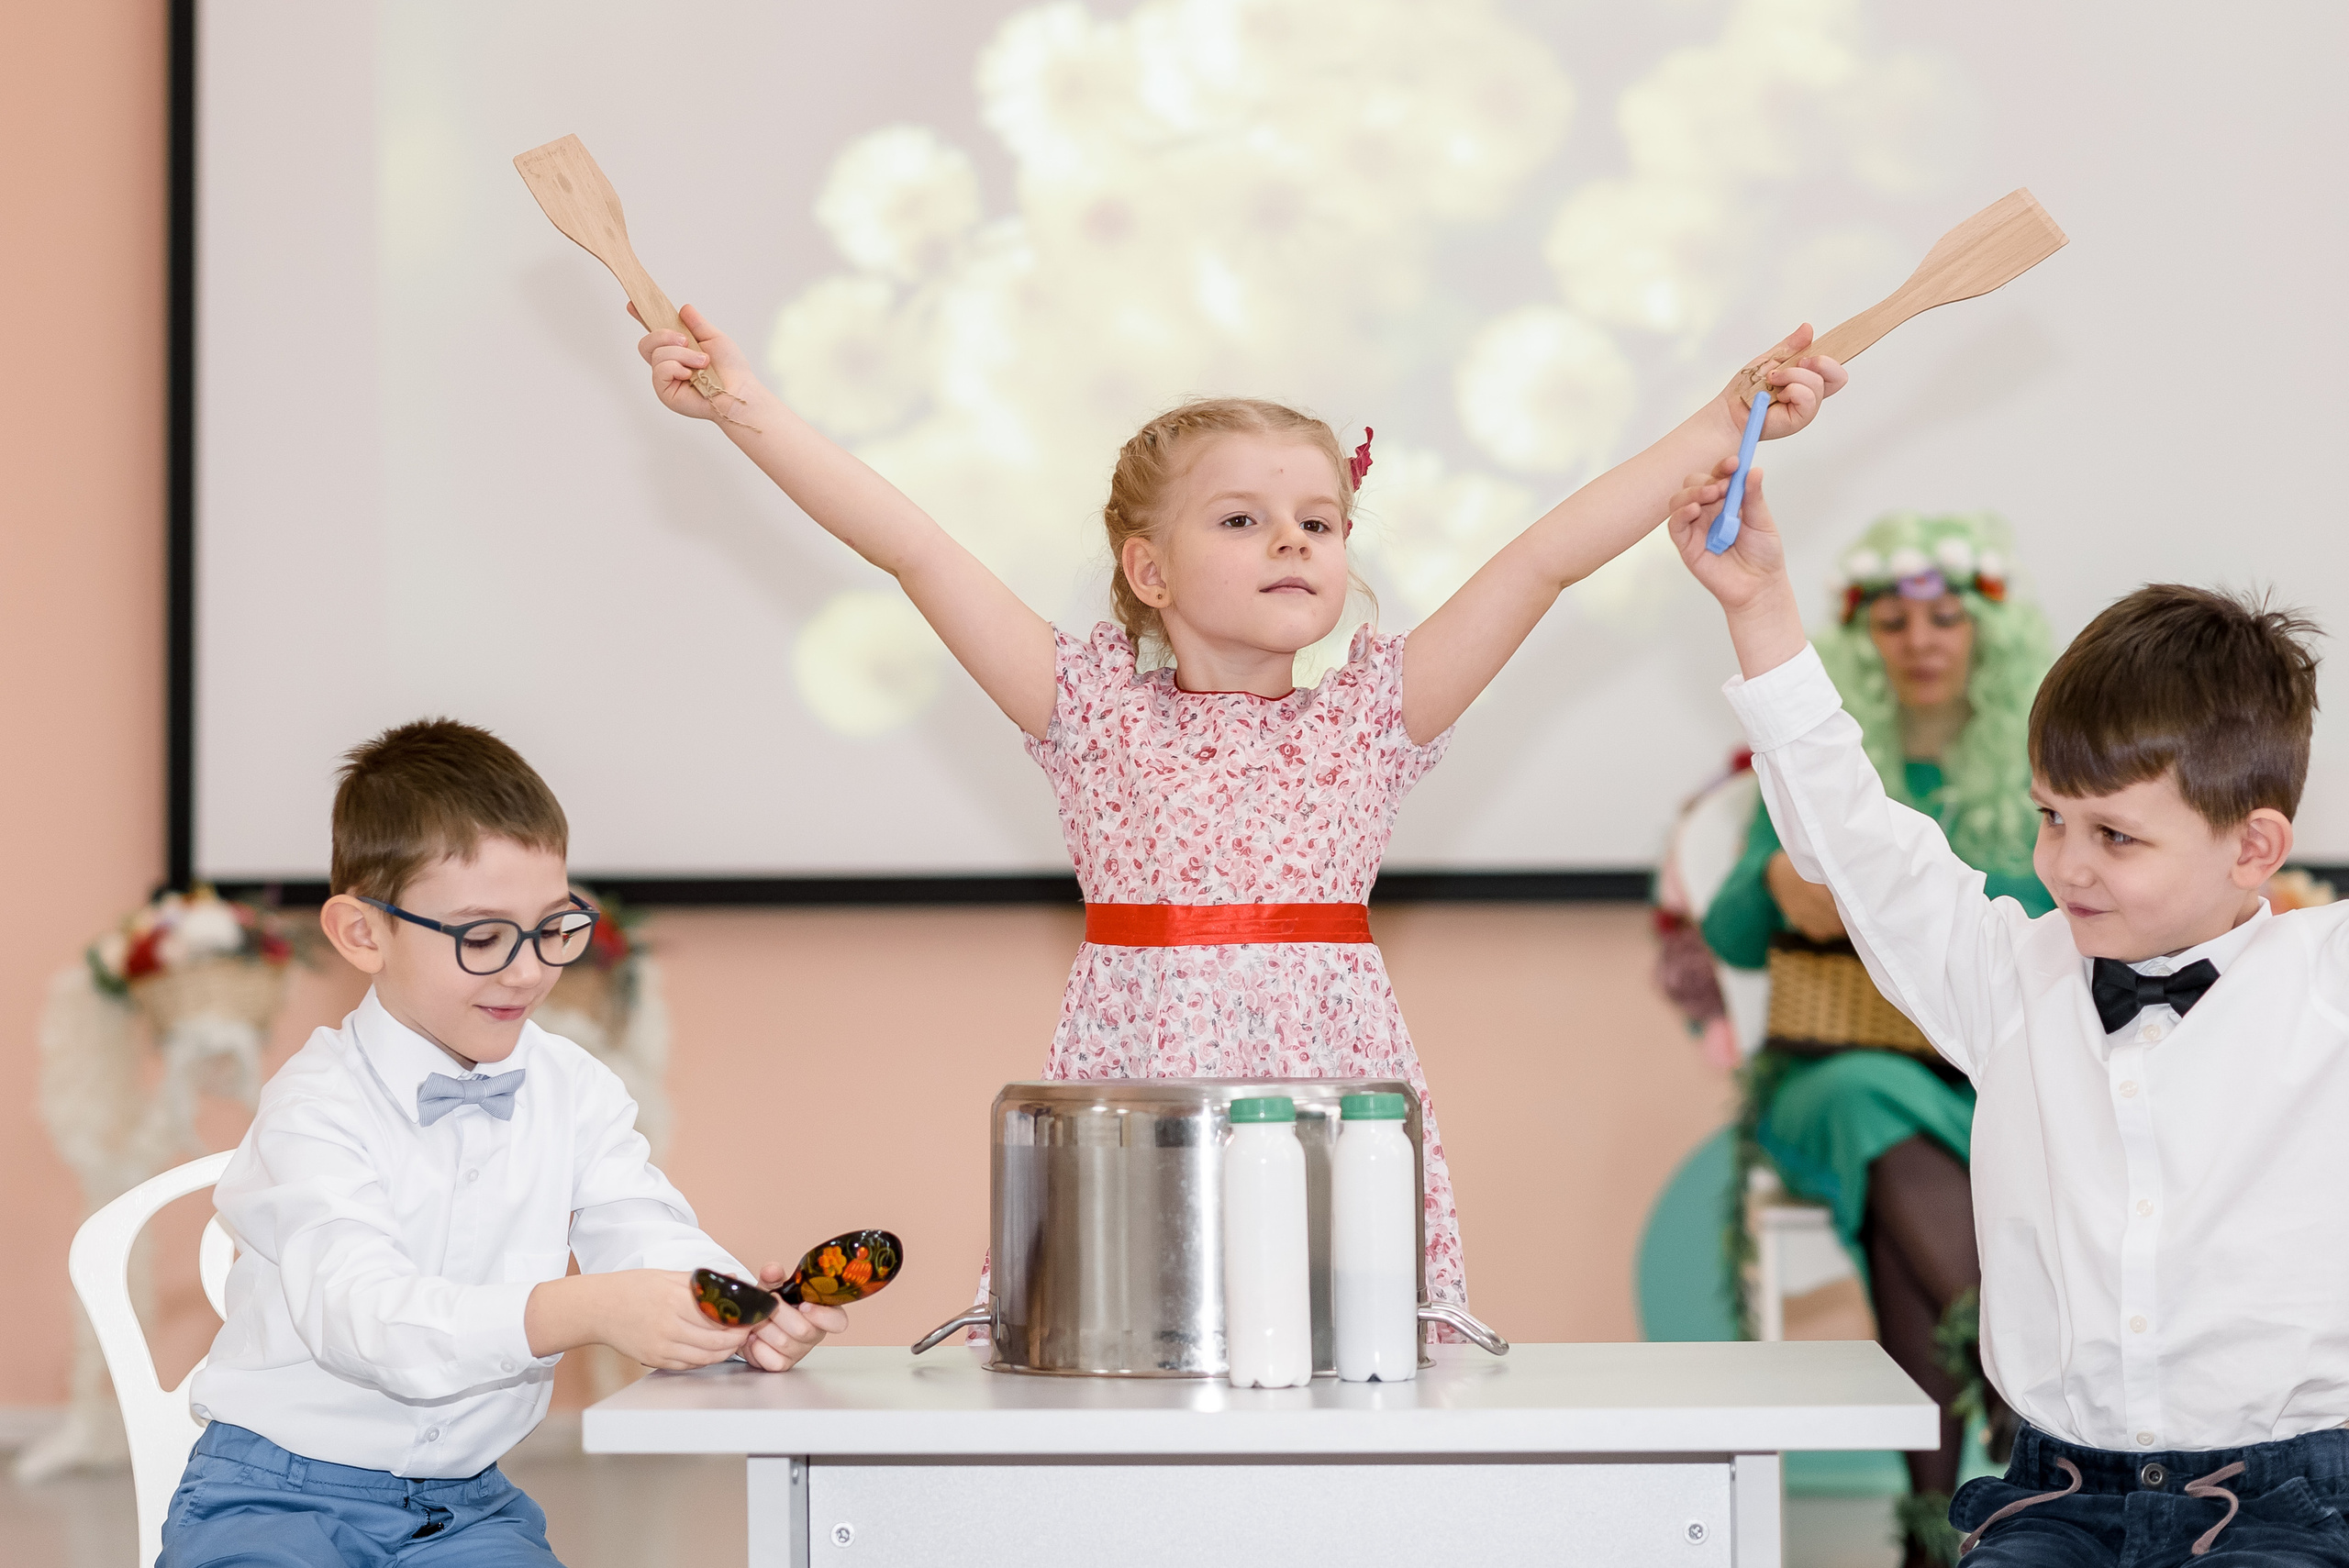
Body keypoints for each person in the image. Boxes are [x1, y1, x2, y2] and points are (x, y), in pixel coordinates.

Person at [630, 299, 1842, 1311]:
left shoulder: (1375, 714)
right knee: (1128, 1368)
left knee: (1336, 1362)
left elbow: (1543, 557)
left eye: (1320, 521)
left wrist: (1723, 420)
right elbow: (916, 550)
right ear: (1147, 570)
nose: (1293, 542)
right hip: (1135, 1099)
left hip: (1333, 1102)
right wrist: (746, 409)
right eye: (1243, 519)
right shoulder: (1088, 708)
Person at [1668, 454, 2346, 1567]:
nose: (2063, 864)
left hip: (2285, 1501)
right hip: (2055, 1496)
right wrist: (1758, 601)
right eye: (2049, 816)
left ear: (2254, 847)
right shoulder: (2009, 976)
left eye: (2114, 834)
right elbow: (1855, 832)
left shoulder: (2325, 980)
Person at [161, 721, 845, 1567]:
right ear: (362, 934)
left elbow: (641, 1229)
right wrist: (590, 1308)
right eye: (481, 937)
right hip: (273, 1497)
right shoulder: (315, 1104)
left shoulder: (574, 1086)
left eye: (553, 926)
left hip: (467, 1507)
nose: (527, 971)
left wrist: (726, 1307)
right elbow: (367, 1319)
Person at [1698, 513, 2055, 1557]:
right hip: (1829, 1070)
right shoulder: (1825, 770)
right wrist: (1772, 883)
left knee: (1906, 1213)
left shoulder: (2037, 765)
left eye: (1946, 617)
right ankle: (2016, 1386)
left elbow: (2052, 917)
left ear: (1990, 634)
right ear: (1866, 641)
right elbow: (1732, 932)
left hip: (1978, 1076)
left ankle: (1928, 1522)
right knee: (1866, 1102)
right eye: (1894, 621)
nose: (1922, 639)